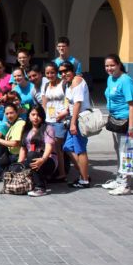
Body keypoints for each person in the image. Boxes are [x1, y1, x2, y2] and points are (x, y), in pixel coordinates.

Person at [102, 54, 133, 195]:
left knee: (125, 152)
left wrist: (132, 128)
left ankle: (125, 184)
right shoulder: (111, 79)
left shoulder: (125, 80)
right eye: (106, 66)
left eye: (112, 65)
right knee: (118, 149)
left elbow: (132, 105)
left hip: (126, 120)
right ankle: (119, 178)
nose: (109, 68)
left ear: (119, 65)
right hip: (115, 119)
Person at [60, 61, 92, 189]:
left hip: (79, 120)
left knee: (80, 150)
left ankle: (84, 180)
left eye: (66, 70)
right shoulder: (68, 84)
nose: (64, 74)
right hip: (72, 120)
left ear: (72, 71)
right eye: (61, 72)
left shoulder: (77, 81)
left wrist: (73, 123)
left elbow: (78, 103)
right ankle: (84, 174)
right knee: (68, 147)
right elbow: (70, 104)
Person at [19, 106, 58, 197]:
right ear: (28, 115)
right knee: (15, 168)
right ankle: (32, 182)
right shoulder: (26, 129)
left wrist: (43, 159)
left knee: (32, 155)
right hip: (32, 159)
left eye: (38, 115)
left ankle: (40, 188)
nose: (36, 117)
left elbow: (49, 146)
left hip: (48, 160)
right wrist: (19, 164)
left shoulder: (48, 128)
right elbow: (23, 148)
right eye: (33, 114)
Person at [41, 62, 68, 181]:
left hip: (60, 120)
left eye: (52, 72)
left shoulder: (63, 84)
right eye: (47, 73)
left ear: (57, 72)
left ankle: (62, 173)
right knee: (49, 148)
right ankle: (52, 171)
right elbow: (44, 103)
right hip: (48, 120)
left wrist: (64, 113)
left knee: (57, 147)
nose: (50, 75)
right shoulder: (46, 85)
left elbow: (69, 100)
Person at [0, 103, 25, 182]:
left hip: (18, 156)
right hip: (10, 155)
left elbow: (14, 143)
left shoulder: (20, 123)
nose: (9, 116)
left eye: (11, 113)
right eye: (7, 114)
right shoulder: (12, 124)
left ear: (17, 112)